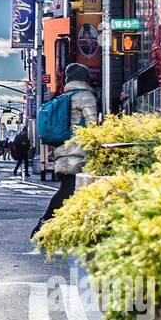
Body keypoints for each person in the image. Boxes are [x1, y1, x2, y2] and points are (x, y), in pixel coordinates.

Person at [32, 63, 100, 236]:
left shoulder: (66, 96)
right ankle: (43, 226)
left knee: (72, 191)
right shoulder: (85, 96)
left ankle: (66, 229)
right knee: (68, 190)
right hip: (79, 152)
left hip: (64, 151)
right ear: (85, 79)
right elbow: (93, 126)